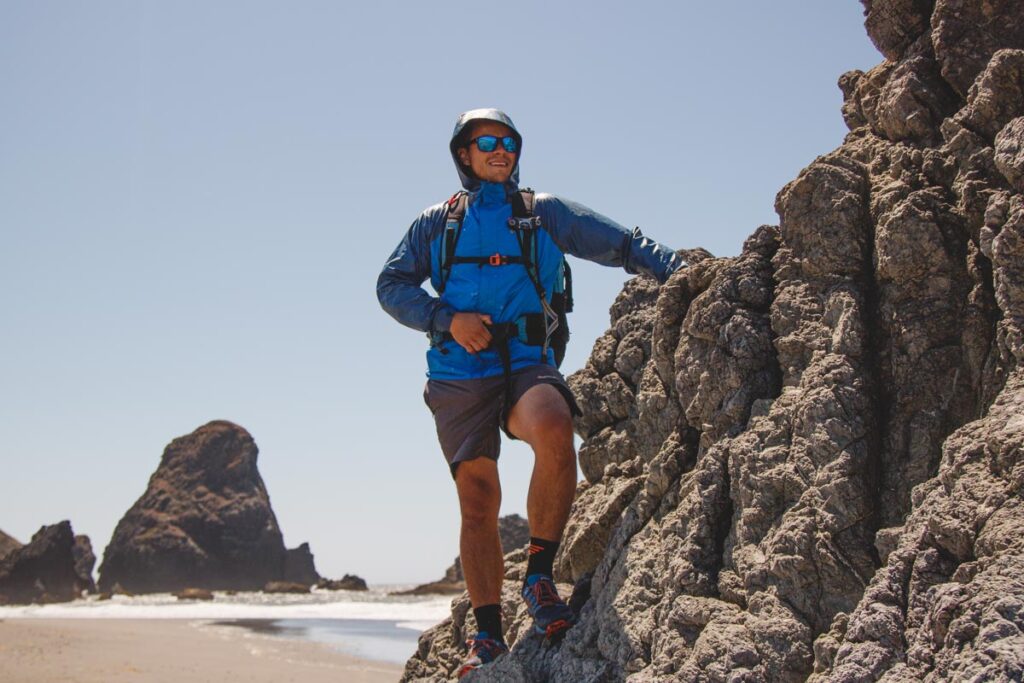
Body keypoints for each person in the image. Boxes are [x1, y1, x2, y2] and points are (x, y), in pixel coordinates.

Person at [377, 108, 683, 677]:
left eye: (509, 142)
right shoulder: (435, 224)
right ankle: (488, 638)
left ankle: (539, 578)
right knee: (478, 497)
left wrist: (679, 268)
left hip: (526, 360)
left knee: (551, 423)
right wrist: (446, 318)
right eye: (486, 142)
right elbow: (390, 285)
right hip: (458, 370)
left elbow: (622, 243)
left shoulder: (544, 213)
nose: (500, 150)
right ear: (463, 155)